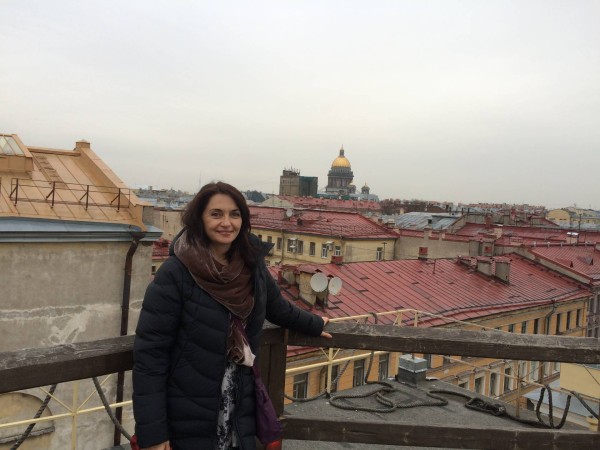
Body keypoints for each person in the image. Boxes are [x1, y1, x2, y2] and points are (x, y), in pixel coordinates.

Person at [132, 181, 331, 450]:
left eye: (234, 214)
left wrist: (314, 323)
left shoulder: (251, 264)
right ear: (199, 219)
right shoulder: (175, 273)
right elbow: (150, 356)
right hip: (188, 410)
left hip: (238, 403)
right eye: (216, 214)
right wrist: (153, 433)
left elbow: (277, 308)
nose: (226, 223)